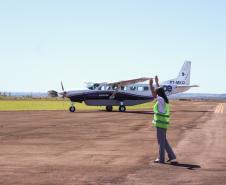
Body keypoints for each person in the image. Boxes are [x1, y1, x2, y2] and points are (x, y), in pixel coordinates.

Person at [149, 76, 177, 164]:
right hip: (164, 124)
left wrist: (150, 85)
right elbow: (160, 90)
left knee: (161, 142)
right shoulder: (164, 100)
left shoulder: (160, 99)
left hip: (160, 124)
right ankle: (172, 156)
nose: (155, 93)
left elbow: (154, 94)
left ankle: (161, 159)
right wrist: (157, 82)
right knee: (164, 141)